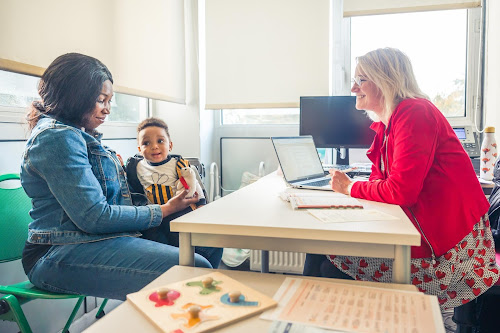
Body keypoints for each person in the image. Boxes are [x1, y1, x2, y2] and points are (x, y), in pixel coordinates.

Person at [304, 48, 499, 309]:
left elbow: (400, 191)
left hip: (445, 254)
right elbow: (380, 181)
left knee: (325, 257)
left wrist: (350, 187)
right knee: (321, 247)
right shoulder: (391, 122)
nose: (353, 88)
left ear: (386, 80)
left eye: (361, 80)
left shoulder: (415, 113)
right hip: (424, 234)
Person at [20, 53, 217, 301]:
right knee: (195, 269)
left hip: (101, 239)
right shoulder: (56, 138)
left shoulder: (79, 135)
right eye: (101, 100)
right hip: (59, 252)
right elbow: (95, 217)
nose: (107, 109)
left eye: (109, 101)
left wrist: (176, 205)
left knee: (209, 244)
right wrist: (164, 209)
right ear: (76, 95)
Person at [125, 117, 222, 267]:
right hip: (154, 215)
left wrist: (202, 204)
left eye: (160, 141)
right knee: (159, 245)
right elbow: (131, 188)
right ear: (139, 148)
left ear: (170, 145)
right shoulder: (135, 167)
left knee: (183, 244)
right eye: (146, 143)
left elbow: (193, 183)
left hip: (179, 212)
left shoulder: (177, 164)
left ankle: (192, 266)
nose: (154, 147)